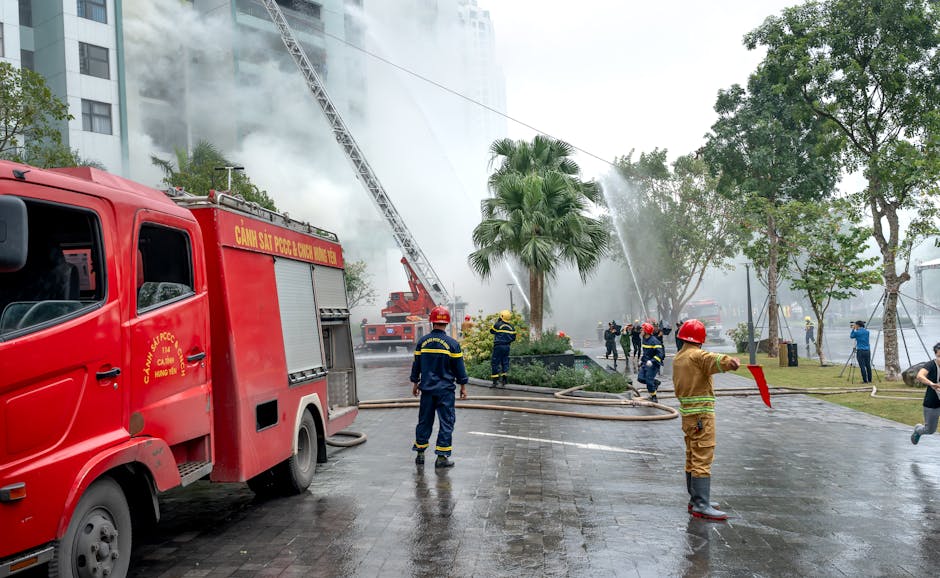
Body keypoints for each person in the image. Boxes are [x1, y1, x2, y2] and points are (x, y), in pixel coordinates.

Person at [672, 319, 742, 520]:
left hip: (688, 416)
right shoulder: (696, 355)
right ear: (700, 339)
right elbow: (713, 359)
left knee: (692, 454)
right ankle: (702, 504)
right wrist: (731, 362)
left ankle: (696, 499)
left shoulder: (679, 357)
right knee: (703, 454)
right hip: (702, 415)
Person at [411, 306, 469, 468]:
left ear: (432, 321)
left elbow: (417, 365)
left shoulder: (422, 342)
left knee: (424, 421)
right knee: (446, 422)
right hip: (445, 391)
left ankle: (420, 454)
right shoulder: (452, 344)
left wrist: (415, 383)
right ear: (447, 322)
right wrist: (463, 387)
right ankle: (442, 457)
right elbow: (459, 368)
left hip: (427, 390)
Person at [911, 343, 940, 445]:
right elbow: (920, 376)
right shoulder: (931, 365)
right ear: (936, 355)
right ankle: (918, 430)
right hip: (932, 402)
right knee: (930, 430)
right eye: (939, 356)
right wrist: (932, 383)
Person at [637, 322, 664, 402]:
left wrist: (652, 361)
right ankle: (655, 383)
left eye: (642, 329)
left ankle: (654, 397)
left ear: (646, 331)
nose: (641, 331)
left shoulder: (654, 341)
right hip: (645, 363)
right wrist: (641, 361)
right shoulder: (644, 340)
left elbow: (660, 354)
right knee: (640, 378)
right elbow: (646, 353)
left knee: (649, 381)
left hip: (653, 364)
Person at [490, 309, 517, 386]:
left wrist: (498, 322)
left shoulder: (498, 325)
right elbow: (513, 338)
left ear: (501, 317)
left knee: (495, 362)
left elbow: (491, 331)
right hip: (507, 346)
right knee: (505, 361)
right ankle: (504, 380)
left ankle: (495, 381)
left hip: (498, 346)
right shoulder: (512, 327)